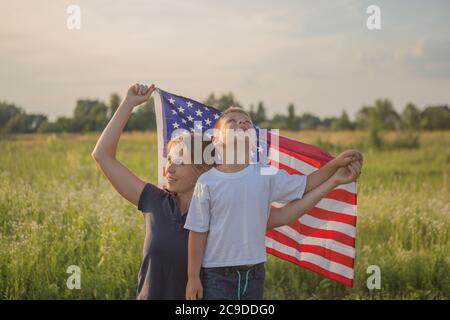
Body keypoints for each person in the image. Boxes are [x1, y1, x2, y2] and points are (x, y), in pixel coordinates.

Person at [184, 107, 362, 300]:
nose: (242, 123)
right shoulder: (208, 182)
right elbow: (198, 231)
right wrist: (193, 277)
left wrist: (335, 165)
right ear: (216, 140)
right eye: (233, 121)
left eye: (247, 122)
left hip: (255, 272)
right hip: (217, 274)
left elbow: (306, 184)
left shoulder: (265, 174)